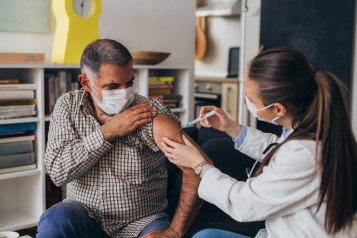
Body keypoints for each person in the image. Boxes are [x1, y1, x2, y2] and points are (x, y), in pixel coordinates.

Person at [161, 47, 357, 238]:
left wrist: (199, 165)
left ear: (279, 109)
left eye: (251, 100)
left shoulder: (305, 153)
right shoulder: (311, 129)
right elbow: (277, 147)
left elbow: (243, 204)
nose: (247, 103)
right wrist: (230, 127)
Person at [39, 39, 212, 238]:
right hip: (85, 214)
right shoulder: (68, 106)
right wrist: (109, 131)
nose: (124, 94)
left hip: (141, 222)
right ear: (86, 82)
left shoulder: (149, 113)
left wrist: (175, 231)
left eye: (129, 83)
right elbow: (58, 173)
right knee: (54, 220)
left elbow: (198, 168)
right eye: (112, 86)